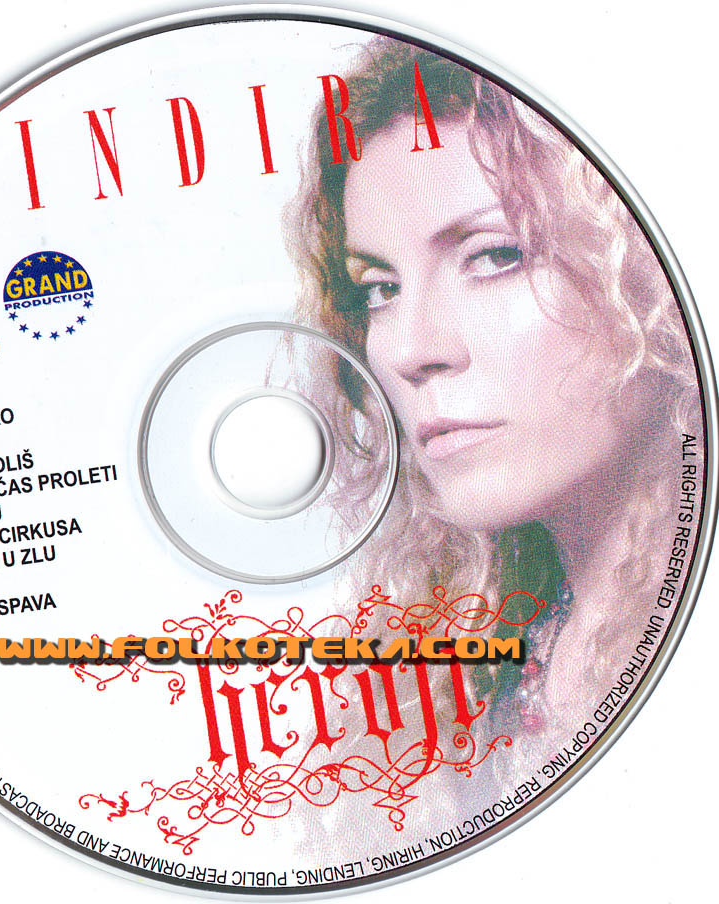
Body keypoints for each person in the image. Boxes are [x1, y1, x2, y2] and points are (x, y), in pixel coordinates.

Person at [287, 37, 700, 763]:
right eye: (380, 289)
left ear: (650, 269)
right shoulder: (467, 673)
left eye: (496, 255)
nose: (410, 348)